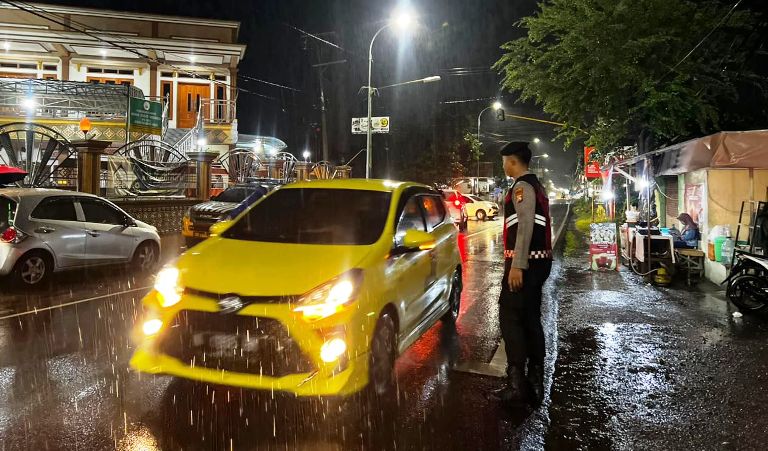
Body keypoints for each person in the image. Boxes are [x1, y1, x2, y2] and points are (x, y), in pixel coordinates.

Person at [491, 141, 553, 407]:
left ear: (513, 161)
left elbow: (525, 225)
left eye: (504, 160)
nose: (503, 165)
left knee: (509, 316)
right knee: (529, 318)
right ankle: (535, 382)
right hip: (537, 262)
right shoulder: (534, 185)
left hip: (526, 264)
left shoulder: (522, 187)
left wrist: (517, 265)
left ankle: (517, 384)